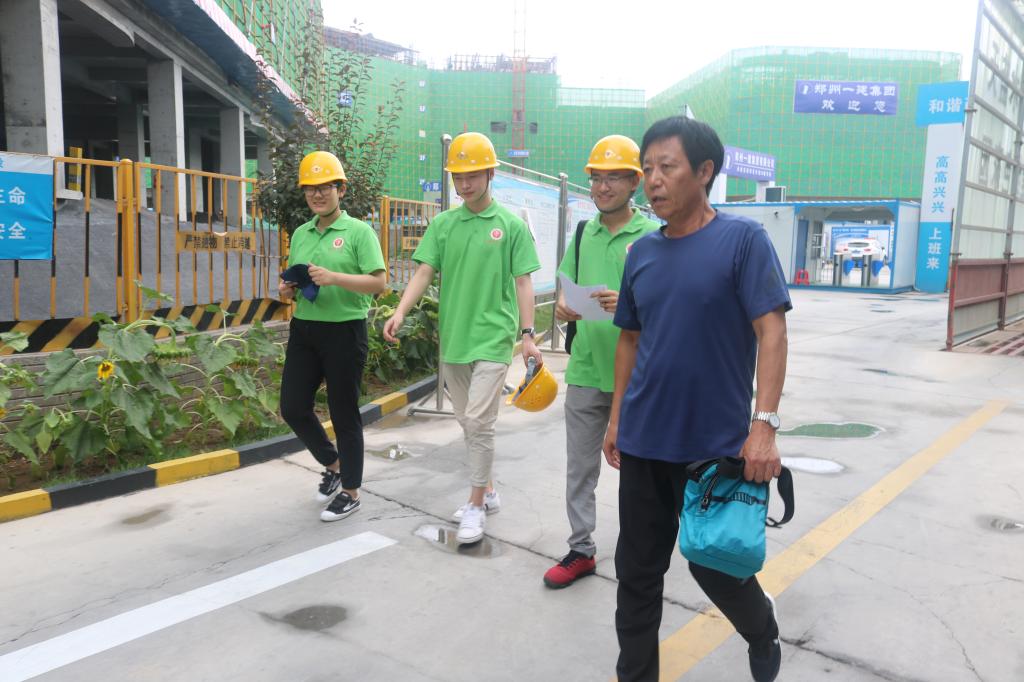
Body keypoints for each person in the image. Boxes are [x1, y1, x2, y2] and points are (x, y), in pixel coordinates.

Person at [602, 117, 791, 682]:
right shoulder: (641, 253)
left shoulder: (743, 242)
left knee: (716, 564)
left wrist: (764, 425)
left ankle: (761, 628)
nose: (653, 180)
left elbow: (772, 332)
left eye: (667, 167)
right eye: (648, 169)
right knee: (637, 575)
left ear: (705, 171)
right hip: (644, 440)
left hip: (714, 446)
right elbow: (630, 340)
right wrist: (616, 419)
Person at [382, 132, 542, 545]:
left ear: (490, 174)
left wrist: (527, 335)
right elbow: (423, 272)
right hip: (454, 338)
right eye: (459, 176)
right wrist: (400, 311)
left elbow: (523, 282)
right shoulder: (443, 225)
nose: (465, 184)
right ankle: (488, 490)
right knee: (467, 421)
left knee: (479, 421)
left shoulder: (510, 226)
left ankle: (474, 504)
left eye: (472, 175)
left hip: (493, 337)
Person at [542, 135, 659, 589]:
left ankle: (640, 553)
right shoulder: (582, 234)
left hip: (641, 377)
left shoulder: (653, 237)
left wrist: (628, 304)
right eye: (597, 178)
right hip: (588, 369)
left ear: (635, 183)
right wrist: (564, 308)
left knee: (639, 472)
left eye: (614, 178)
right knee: (580, 470)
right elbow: (564, 296)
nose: (603, 186)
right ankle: (581, 549)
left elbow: (667, 306)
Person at [279, 150, 387, 523]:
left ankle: (351, 492)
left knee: (343, 413)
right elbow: (299, 280)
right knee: (292, 407)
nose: (317, 194)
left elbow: (379, 282)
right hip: (304, 329)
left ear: (340, 189)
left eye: (325, 186)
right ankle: (334, 465)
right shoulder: (301, 233)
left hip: (345, 331)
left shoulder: (359, 232)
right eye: (311, 188)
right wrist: (287, 289)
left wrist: (334, 278)